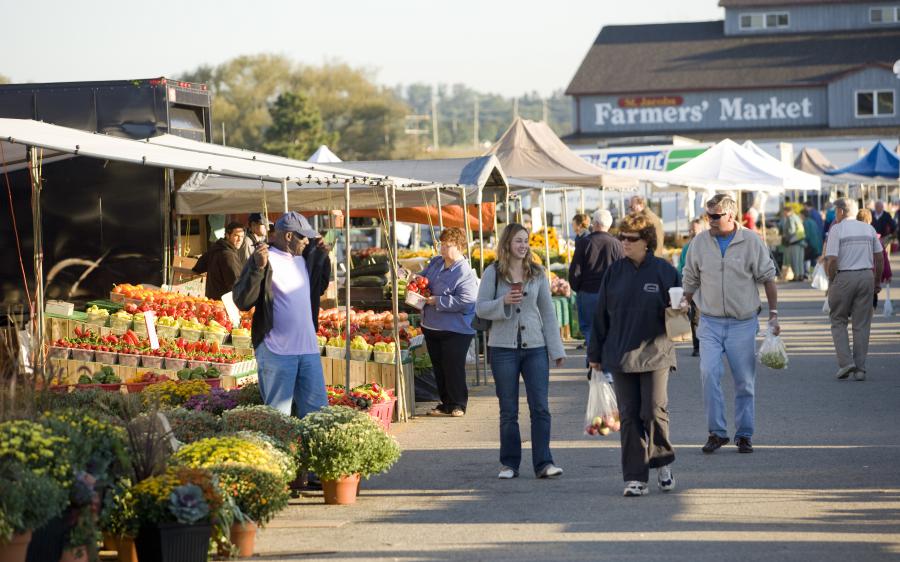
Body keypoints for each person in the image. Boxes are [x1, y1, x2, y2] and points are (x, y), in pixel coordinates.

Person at [588, 213, 679, 497]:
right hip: (620, 355)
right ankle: (635, 478)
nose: (624, 242)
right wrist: (594, 355)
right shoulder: (614, 272)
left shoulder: (664, 271)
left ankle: (662, 461)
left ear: (647, 242)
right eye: (622, 237)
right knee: (628, 417)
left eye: (631, 238)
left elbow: (682, 314)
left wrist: (685, 309)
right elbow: (600, 315)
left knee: (653, 411)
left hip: (657, 353)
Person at [681, 194, 779, 455]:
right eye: (707, 215)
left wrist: (774, 314)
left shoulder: (751, 241)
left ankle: (744, 433)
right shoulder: (699, 242)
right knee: (709, 373)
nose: (709, 221)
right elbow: (690, 277)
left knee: (744, 381)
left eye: (715, 216)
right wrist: (684, 302)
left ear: (731, 216)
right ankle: (717, 432)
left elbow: (768, 278)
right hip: (710, 321)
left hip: (742, 322)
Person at [476, 224, 566, 480]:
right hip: (502, 348)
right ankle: (509, 464)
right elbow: (480, 308)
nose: (523, 246)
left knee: (540, 407)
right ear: (507, 244)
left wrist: (556, 349)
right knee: (508, 409)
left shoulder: (537, 272)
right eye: (518, 241)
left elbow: (548, 312)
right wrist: (502, 303)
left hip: (535, 347)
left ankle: (544, 463)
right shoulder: (493, 273)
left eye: (525, 241)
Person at [232, 211, 329, 417]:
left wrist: (323, 256)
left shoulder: (306, 258)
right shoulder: (263, 258)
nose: (306, 240)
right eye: (302, 236)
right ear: (288, 236)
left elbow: (319, 288)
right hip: (276, 351)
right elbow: (242, 300)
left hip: (308, 349)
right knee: (278, 417)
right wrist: (258, 268)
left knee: (318, 414)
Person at [419, 227, 479, 417]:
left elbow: (467, 301)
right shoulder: (437, 262)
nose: (443, 249)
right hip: (432, 326)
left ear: (460, 247)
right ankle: (445, 403)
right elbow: (424, 279)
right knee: (439, 366)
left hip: (456, 329)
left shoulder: (464, 272)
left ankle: (458, 404)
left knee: (453, 366)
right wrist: (414, 281)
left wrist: (439, 301)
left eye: (448, 245)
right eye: (442, 244)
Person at [569, 209, 624, 353]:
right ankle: (604, 362)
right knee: (608, 327)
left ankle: (594, 360)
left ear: (594, 223)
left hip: (587, 292)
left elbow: (575, 270)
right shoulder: (617, 244)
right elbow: (622, 271)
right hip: (610, 293)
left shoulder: (584, 242)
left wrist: (577, 288)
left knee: (589, 328)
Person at [193, 221, 245, 300]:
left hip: (212, 299)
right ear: (227, 235)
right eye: (236, 236)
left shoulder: (216, 248)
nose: (240, 240)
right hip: (224, 304)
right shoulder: (228, 255)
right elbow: (237, 284)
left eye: (242, 236)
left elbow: (198, 267)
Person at [677, 218, 707, 356]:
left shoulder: (708, 246)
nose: (691, 233)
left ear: (701, 230)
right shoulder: (686, 247)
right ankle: (697, 347)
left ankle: (710, 344)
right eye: (690, 230)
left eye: (694, 230)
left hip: (708, 287)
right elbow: (681, 267)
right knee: (695, 317)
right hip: (694, 288)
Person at [780, 205, 806, 281]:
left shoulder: (790, 218)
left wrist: (785, 236)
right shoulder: (797, 217)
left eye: (784, 212)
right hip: (801, 240)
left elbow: (791, 230)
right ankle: (801, 275)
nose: (783, 214)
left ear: (787, 211)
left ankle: (796, 276)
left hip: (794, 241)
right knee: (800, 260)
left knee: (794, 260)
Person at [801, 208, 823, 279]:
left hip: (810, 244)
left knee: (807, 259)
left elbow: (806, 235)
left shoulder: (805, 222)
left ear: (803, 215)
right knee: (814, 260)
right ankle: (814, 274)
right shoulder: (813, 221)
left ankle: (807, 274)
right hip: (817, 243)